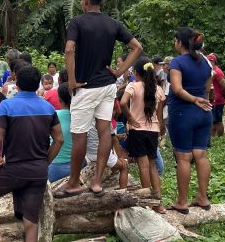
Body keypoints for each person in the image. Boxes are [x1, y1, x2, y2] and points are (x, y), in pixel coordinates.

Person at [54, 0, 142, 198]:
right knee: (104, 131)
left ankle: (73, 183)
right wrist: (119, 70)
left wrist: (72, 80)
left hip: (85, 87)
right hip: (107, 86)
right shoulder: (113, 23)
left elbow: (69, 50)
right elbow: (137, 47)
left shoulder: (77, 22)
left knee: (79, 135)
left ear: (84, 1)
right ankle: (96, 182)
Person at [0, 66, 63, 242]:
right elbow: (59, 139)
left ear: (17, 84)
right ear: (37, 84)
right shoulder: (48, 107)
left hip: (15, 169)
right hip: (39, 172)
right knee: (31, 222)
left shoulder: (7, 105)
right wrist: (45, 161)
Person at [168, 28, 213, 214]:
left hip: (183, 113)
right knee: (201, 156)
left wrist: (194, 99)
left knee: (183, 157)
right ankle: (203, 197)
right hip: (204, 113)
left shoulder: (177, 62)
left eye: (175, 40)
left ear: (180, 42)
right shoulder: (206, 61)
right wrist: (201, 99)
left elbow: (177, 89)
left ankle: (182, 202)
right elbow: (208, 87)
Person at [120, 57, 165, 213]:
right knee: (152, 165)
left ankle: (147, 202)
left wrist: (130, 118)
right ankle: (158, 203)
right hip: (153, 130)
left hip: (137, 130)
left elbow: (122, 103)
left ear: (136, 73)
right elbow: (159, 116)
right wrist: (160, 131)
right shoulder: (158, 89)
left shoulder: (133, 85)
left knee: (143, 166)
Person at [85, 121, 128, 190]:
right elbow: (114, 139)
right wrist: (121, 157)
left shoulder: (85, 120)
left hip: (88, 154)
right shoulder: (104, 119)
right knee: (124, 166)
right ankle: (123, 191)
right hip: (101, 153)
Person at [48, 83, 73, 182]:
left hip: (54, 166)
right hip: (78, 165)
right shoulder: (81, 117)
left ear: (59, 99)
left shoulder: (53, 115)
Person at [207, 53, 225, 137]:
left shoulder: (217, 71)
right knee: (213, 120)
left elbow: (224, 87)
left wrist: (223, 97)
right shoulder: (211, 71)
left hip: (218, 100)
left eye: (209, 61)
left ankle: (220, 138)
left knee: (218, 121)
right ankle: (213, 137)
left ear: (213, 61)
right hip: (212, 99)